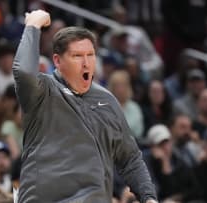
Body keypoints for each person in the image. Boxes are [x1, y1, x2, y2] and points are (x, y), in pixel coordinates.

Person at [12, 10, 157, 203]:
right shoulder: (43, 91)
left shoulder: (107, 100)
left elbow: (130, 159)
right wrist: (32, 26)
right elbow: (23, 72)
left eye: (90, 55)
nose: (86, 63)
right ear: (57, 61)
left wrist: (149, 197)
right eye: (77, 56)